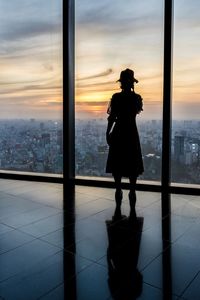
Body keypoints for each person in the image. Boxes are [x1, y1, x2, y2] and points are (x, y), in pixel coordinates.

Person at [106, 68, 144, 220]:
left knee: (117, 165)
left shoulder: (116, 98)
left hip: (118, 133)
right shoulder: (137, 98)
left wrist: (107, 133)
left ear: (121, 83)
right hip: (131, 134)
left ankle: (118, 191)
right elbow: (134, 113)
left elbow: (112, 118)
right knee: (132, 166)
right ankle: (132, 191)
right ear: (132, 82)